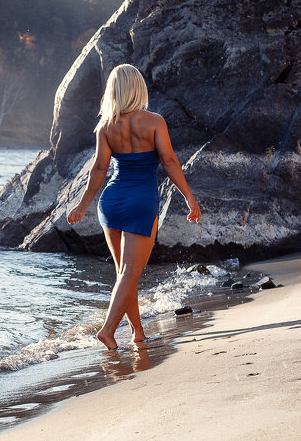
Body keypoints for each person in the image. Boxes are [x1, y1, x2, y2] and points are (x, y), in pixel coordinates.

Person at [67, 64, 201, 349]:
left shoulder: (105, 126)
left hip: (112, 201)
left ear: (112, 91)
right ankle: (107, 330)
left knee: (124, 273)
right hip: (141, 200)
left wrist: (82, 205)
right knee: (129, 272)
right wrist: (188, 196)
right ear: (138, 89)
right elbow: (169, 162)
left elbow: (100, 168)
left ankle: (137, 332)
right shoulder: (154, 122)